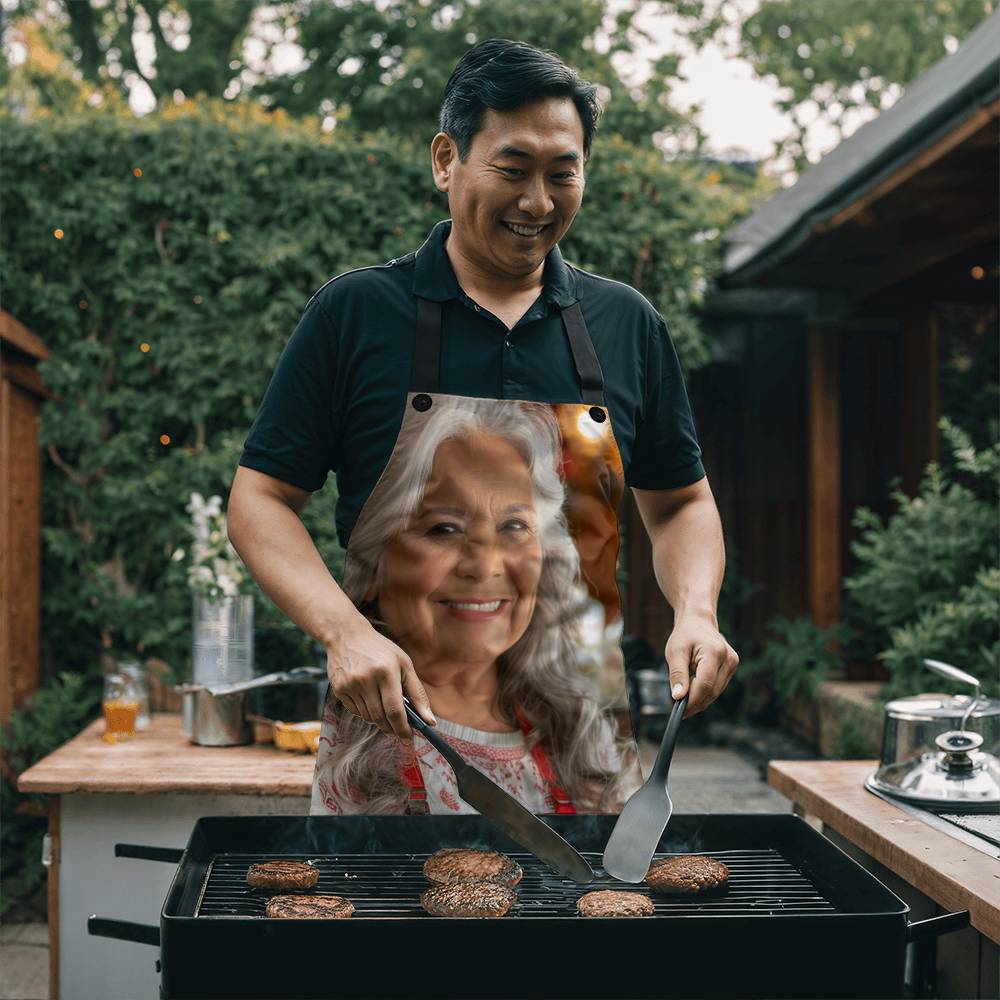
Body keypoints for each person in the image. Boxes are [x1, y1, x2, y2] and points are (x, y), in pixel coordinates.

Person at [229, 38, 738, 813]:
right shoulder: (356, 314)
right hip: (383, 760)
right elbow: (260, 499)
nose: (538, 201)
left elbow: (680, 503)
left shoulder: (625, 325)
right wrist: (343, 632)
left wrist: (696, 611)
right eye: (513, 168)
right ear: (447, 160)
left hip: (588, 768)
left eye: (562, 173)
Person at [311, 397, 641, 814]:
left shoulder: (581, 734)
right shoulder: (345, 755)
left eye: (515, 525)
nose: (485, 567)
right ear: (374, 561)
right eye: (443, 528)